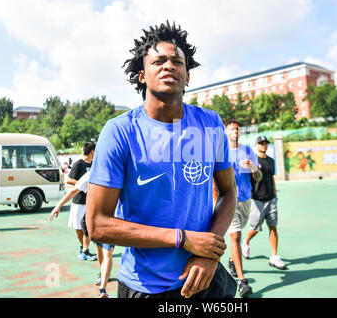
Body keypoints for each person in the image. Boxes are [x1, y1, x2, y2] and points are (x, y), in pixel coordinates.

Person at [86, 21, 237, 299]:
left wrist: (210, 255)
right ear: (142, 75)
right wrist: (183, 238)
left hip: (206, 278)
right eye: (159, 61)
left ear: (188, 75)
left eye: (177, 61)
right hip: (146, 288)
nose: (169, 66)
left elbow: (228, 193)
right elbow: (97, 224)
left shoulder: (210, 123)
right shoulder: (120, 132)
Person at [49, 171, 114, 298]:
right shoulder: (93, 174)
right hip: (96, 218)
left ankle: (103, 287)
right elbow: (74, 191)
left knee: (106, 251)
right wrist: (58, 205)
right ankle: (103, 280)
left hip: (103, 218)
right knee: (103, 251)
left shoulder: (107, 172)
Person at [224, 120, 262, 297]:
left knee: (238, 237)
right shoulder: (220, 152)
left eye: (237, 129)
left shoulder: (247, 150)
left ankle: (233, 259)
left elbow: (259, 177)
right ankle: (242, 281)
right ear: (226, 132)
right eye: (232, 129)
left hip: (246, 200)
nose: (235, 132)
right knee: (235, 235)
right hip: (228, 201)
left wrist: (253, 167)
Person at [243, 135, 286, 270]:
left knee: (273, 227)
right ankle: (246, 241)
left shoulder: (271, 161)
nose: (264, 146)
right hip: (257, 200)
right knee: (255, 227)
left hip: (271, 198)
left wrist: (275, 194)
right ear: (257, 145)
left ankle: (274, 256)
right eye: (261, 143)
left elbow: (272, 178)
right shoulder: (252, 162)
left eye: (265, 143)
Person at [67, 142, 97, 261]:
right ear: (92, 152)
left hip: (91, 201)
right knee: (79, 227)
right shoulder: (78, 164)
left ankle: (85, 249)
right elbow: (69, 180)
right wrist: (83, 184)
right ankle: (84, 248)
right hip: (79, 201)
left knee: (88, 226)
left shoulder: (95, 164)